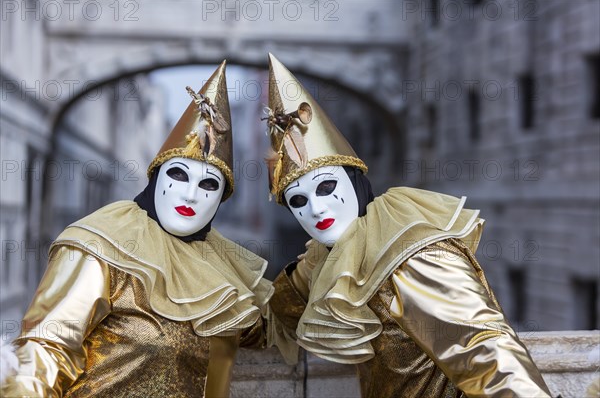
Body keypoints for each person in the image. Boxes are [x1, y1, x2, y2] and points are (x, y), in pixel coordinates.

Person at [264, 53, 553, 397]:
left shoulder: (411, 253)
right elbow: (274, 315)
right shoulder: (325, 259)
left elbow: (484, 350)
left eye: (327, 187)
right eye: (298, 200)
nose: (316, 207)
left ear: (355, 182)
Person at [1, 61, 273, 397]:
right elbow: (45, 350)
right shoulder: (103, 244)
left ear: (221, 199)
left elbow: (270, 329)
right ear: (157, 177)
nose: (190, 193)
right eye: (178, 175)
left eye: (208, 184)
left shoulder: (222, 263)